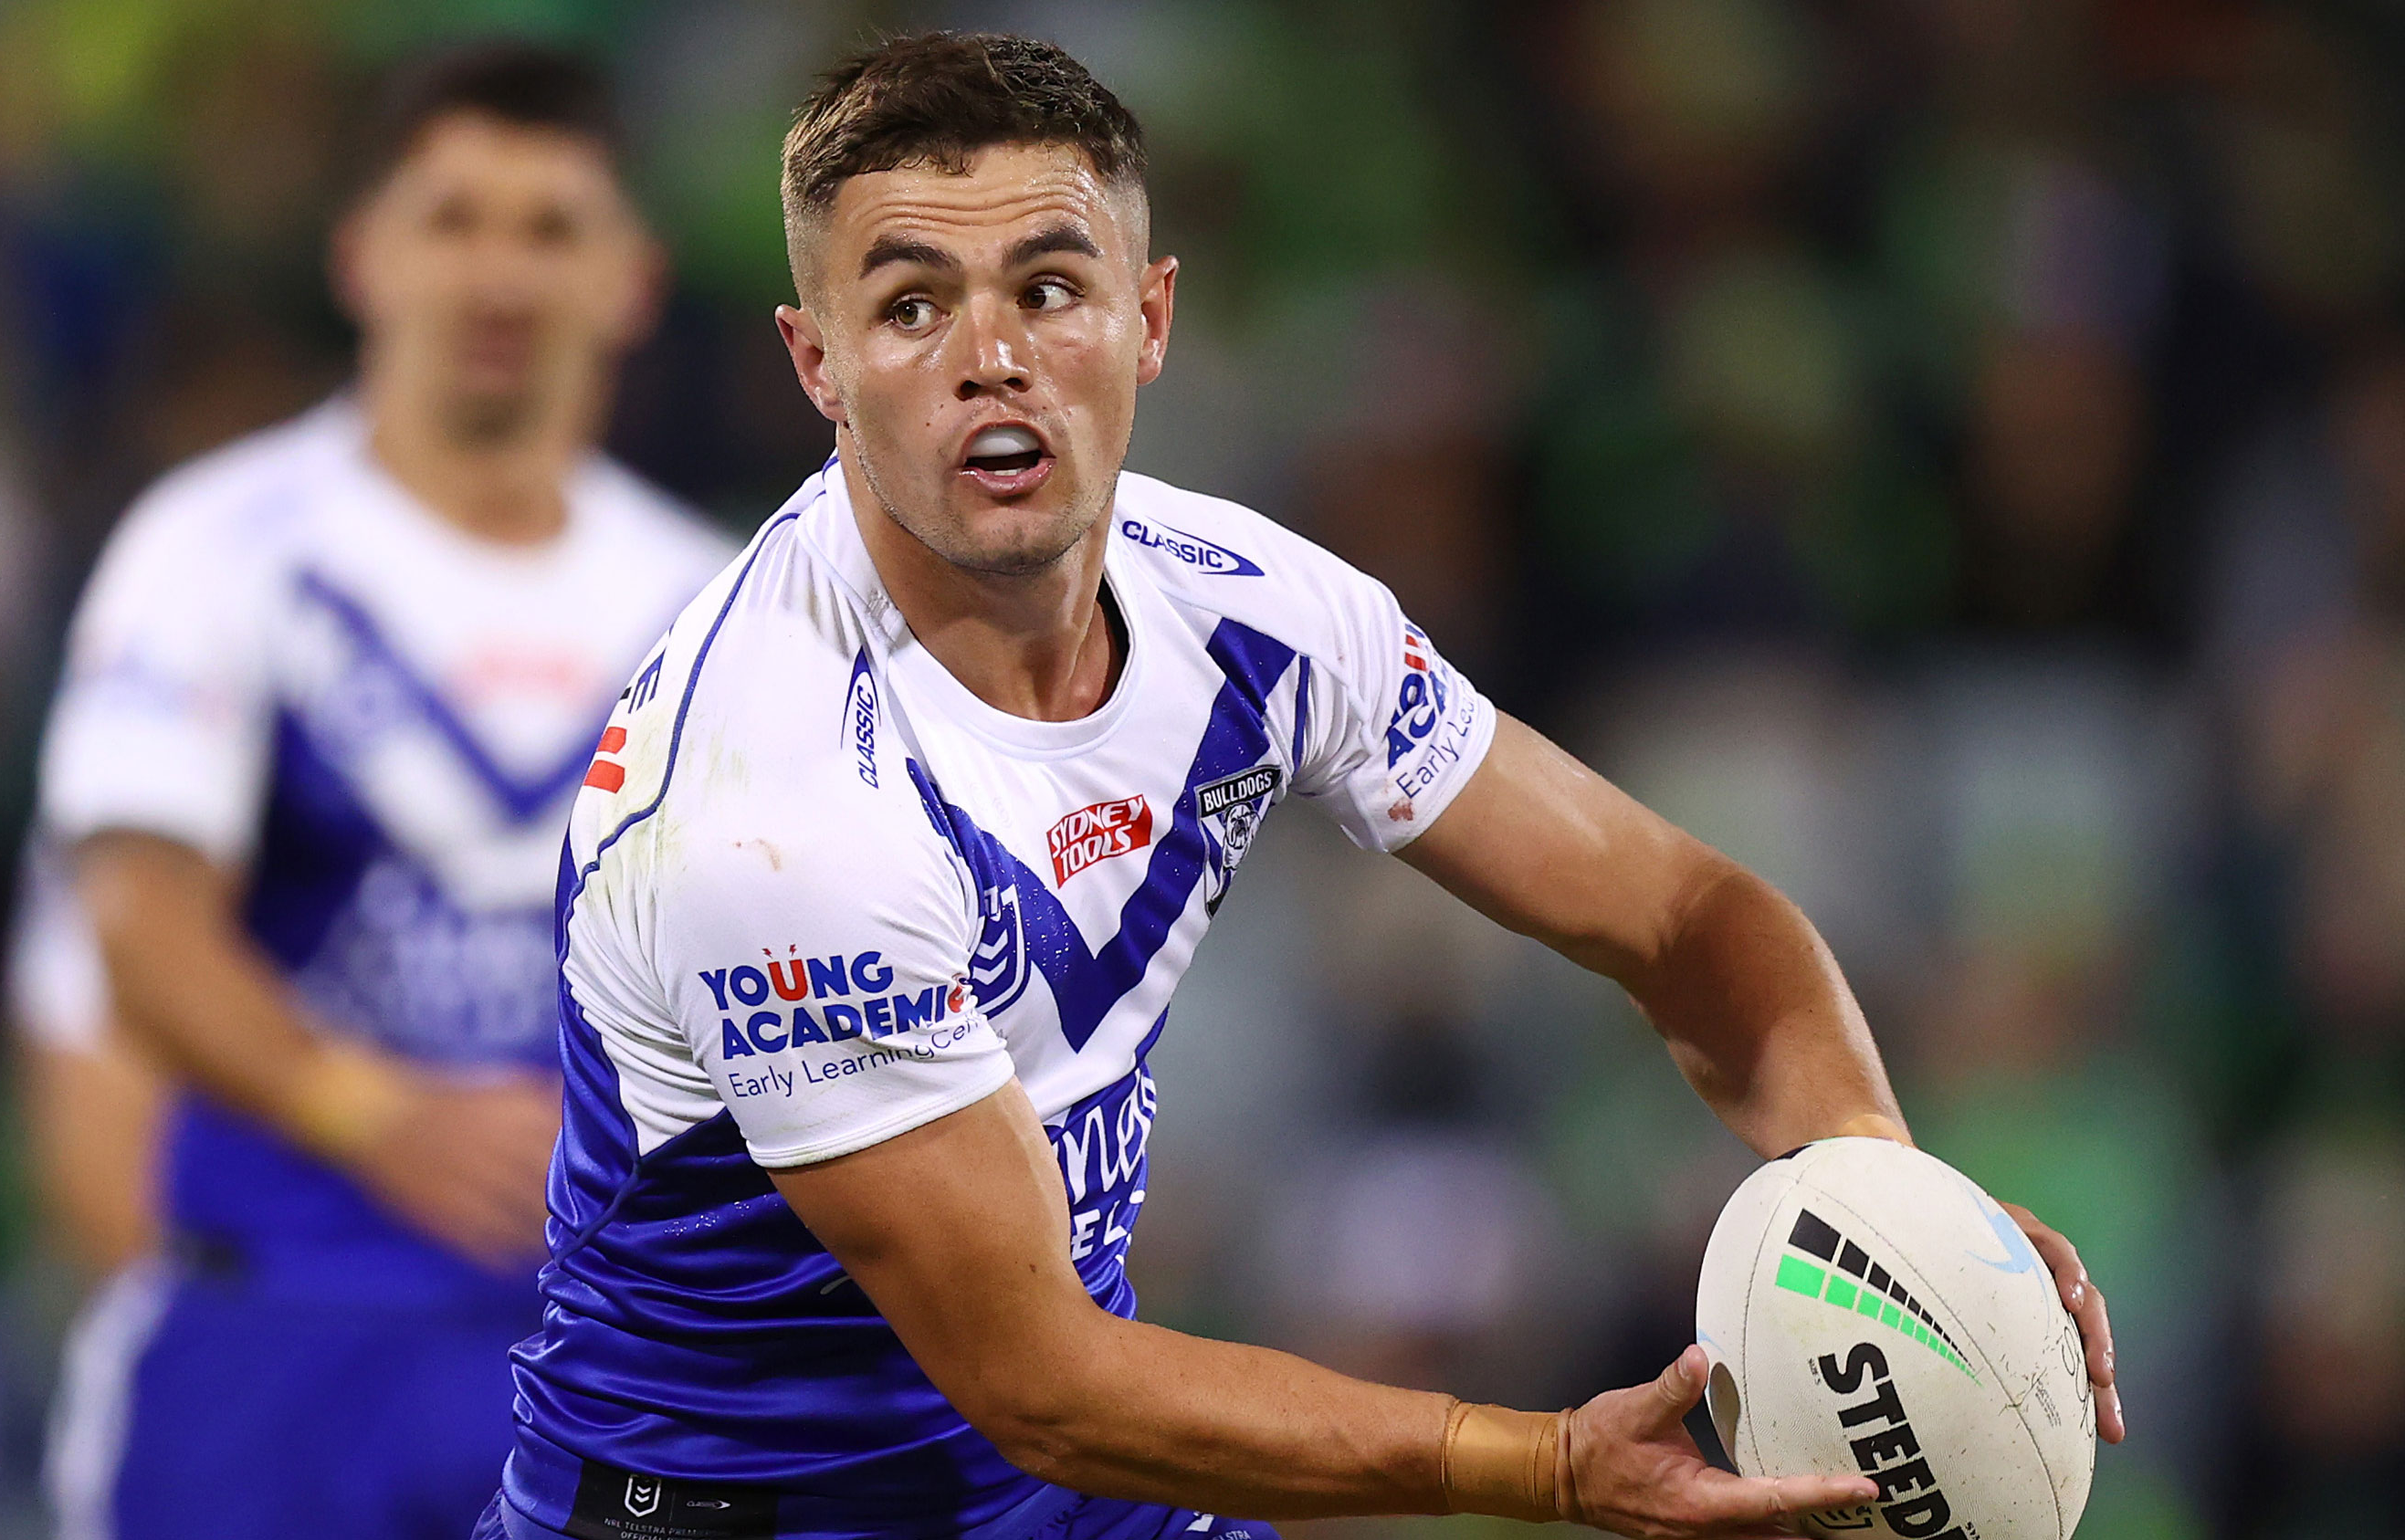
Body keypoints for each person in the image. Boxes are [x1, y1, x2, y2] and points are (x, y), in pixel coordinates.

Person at [487, 32, 2123, 1540]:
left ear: (1154, 317)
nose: (991, 357)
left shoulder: (1254, 608)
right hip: (761, 1508)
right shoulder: (772, 810)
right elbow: (1042, 1385)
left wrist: (1884, 1217)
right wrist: (1548, 1467)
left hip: (1063, 1480)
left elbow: (1681, 914)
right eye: (911, 306)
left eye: (1051, 288)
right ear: (816, 363)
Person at [32, 42, 736, 1540]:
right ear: (363, 255)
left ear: (632, 281)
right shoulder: (218, 548)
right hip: (280, 1329)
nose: (499, 275)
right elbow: (138, 928)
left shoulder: (720, 612)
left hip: (601, 1362)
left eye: (550, 229)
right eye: (453, 218)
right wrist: (370, 1116)